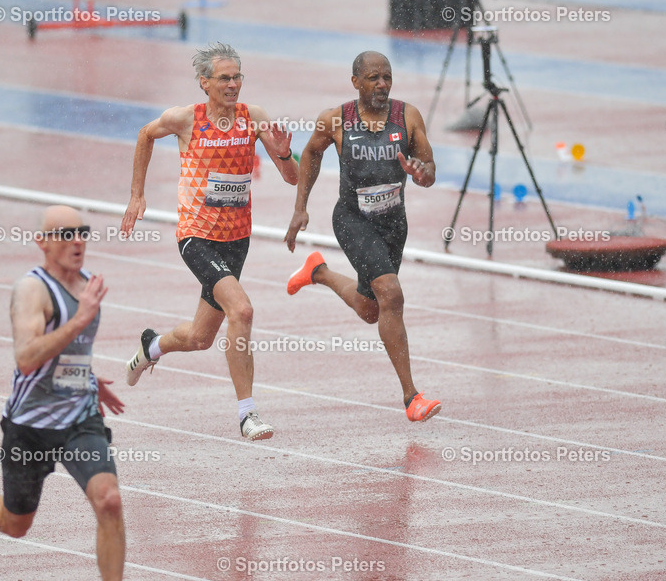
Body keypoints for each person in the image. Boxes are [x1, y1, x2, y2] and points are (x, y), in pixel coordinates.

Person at [0, 205, 152, 581]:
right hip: (30, 427)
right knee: (17, 523)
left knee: (109, 500)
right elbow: (27, 356)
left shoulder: (88, 284)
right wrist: (79, 318)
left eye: (82, 232)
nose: (77, 241)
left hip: (79, 417)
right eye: (65, 234)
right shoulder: (31, 290)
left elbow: (70, 351)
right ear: (43, 242)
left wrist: (92, 382)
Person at [120, 42, 298, 441]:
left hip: (237, 239)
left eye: (237, 77)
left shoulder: (254, 118)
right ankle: (247, 414)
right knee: (243, 310)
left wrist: (285, 157)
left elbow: (293, 179)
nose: (233, 84)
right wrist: (137, 194)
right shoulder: (186, 119)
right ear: (205, 83)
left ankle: (151, 348)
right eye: (224, 78)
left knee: (201, 338)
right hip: (196, 236)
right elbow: (145, 135)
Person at [283, 51, 441, 423]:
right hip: (353, 219)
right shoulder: (335, 119)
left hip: (393, 223)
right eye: (373, 78)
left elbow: (430, 169)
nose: (382, 84)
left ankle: (317, 271)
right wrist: (299, 208)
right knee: (391, 293)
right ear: (356, 82)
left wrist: (422, 173)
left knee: (372, 311)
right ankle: (411, 397)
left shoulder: (408, 116)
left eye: (387, 77)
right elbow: (310, 155)